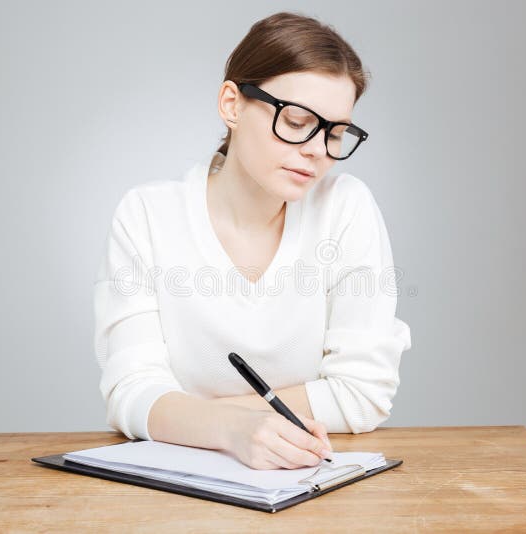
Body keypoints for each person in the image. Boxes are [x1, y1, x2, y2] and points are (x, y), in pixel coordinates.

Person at [93, 11, 412, 471]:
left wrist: (197, 418)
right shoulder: (147, 216)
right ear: (232, 104)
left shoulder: (345, 207)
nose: (317, 150)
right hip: (178, 493)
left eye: (336, 133)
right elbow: (130, 392)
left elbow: (363, 394)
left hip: (304, 489)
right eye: (298, 121)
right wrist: (234, 431)